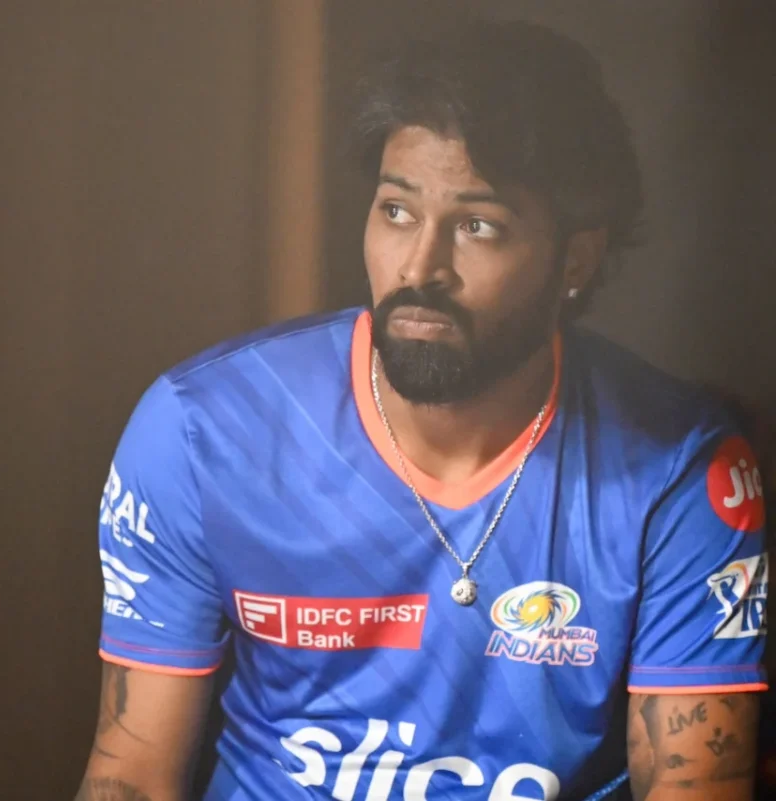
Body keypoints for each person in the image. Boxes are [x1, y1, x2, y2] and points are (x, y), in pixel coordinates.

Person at [76, 17, 767, 801]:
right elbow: (131, 771)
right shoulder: (204, 430)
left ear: (575, 258)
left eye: (478, 226)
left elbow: (698, 783)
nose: (419, 265)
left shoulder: (682, 468)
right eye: (397, 211)